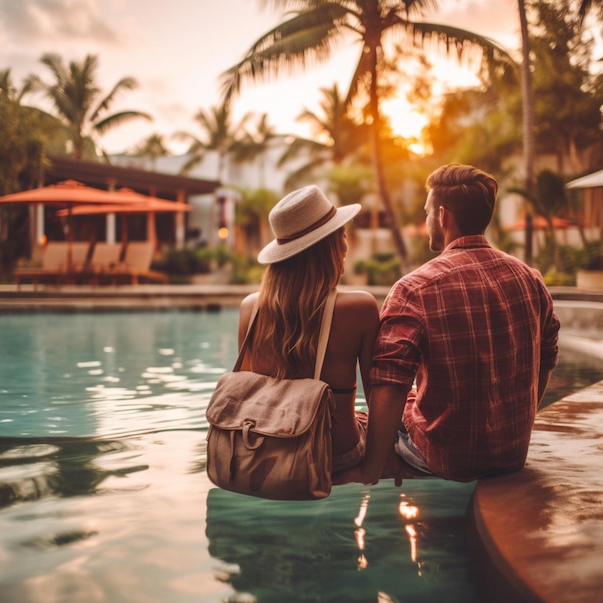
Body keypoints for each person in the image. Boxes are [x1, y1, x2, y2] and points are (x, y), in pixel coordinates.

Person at [357, 163, 561, 484]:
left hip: (446, 459)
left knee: (381, 408)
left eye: (426, 213)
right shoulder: (530, 279)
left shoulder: (415, 288)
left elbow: (390, 383)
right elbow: (547, 357)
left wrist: (371, 469)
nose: (426, 222)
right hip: (512, 453)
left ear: (442, 215)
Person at [238, 185, 380, 473]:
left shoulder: (249, 309)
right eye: (343, 235)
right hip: (335, 455)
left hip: (263, 451)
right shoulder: (360, 307)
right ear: (334, 245)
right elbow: (378, 398)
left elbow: (248, 393)